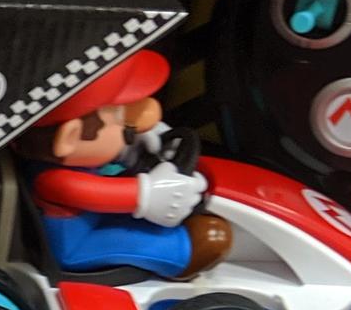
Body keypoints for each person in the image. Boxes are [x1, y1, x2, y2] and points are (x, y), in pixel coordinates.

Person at [18, 50, 232, 278]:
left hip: (96, 218)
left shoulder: (67, 161)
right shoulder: (56, 181)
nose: (143, 119)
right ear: (71, 137)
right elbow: (121, 195)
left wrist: (130, 148)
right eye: (120, 117)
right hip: (80, 244)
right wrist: (151, 192)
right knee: (199, 240)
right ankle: (183, 254)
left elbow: (105, 162)